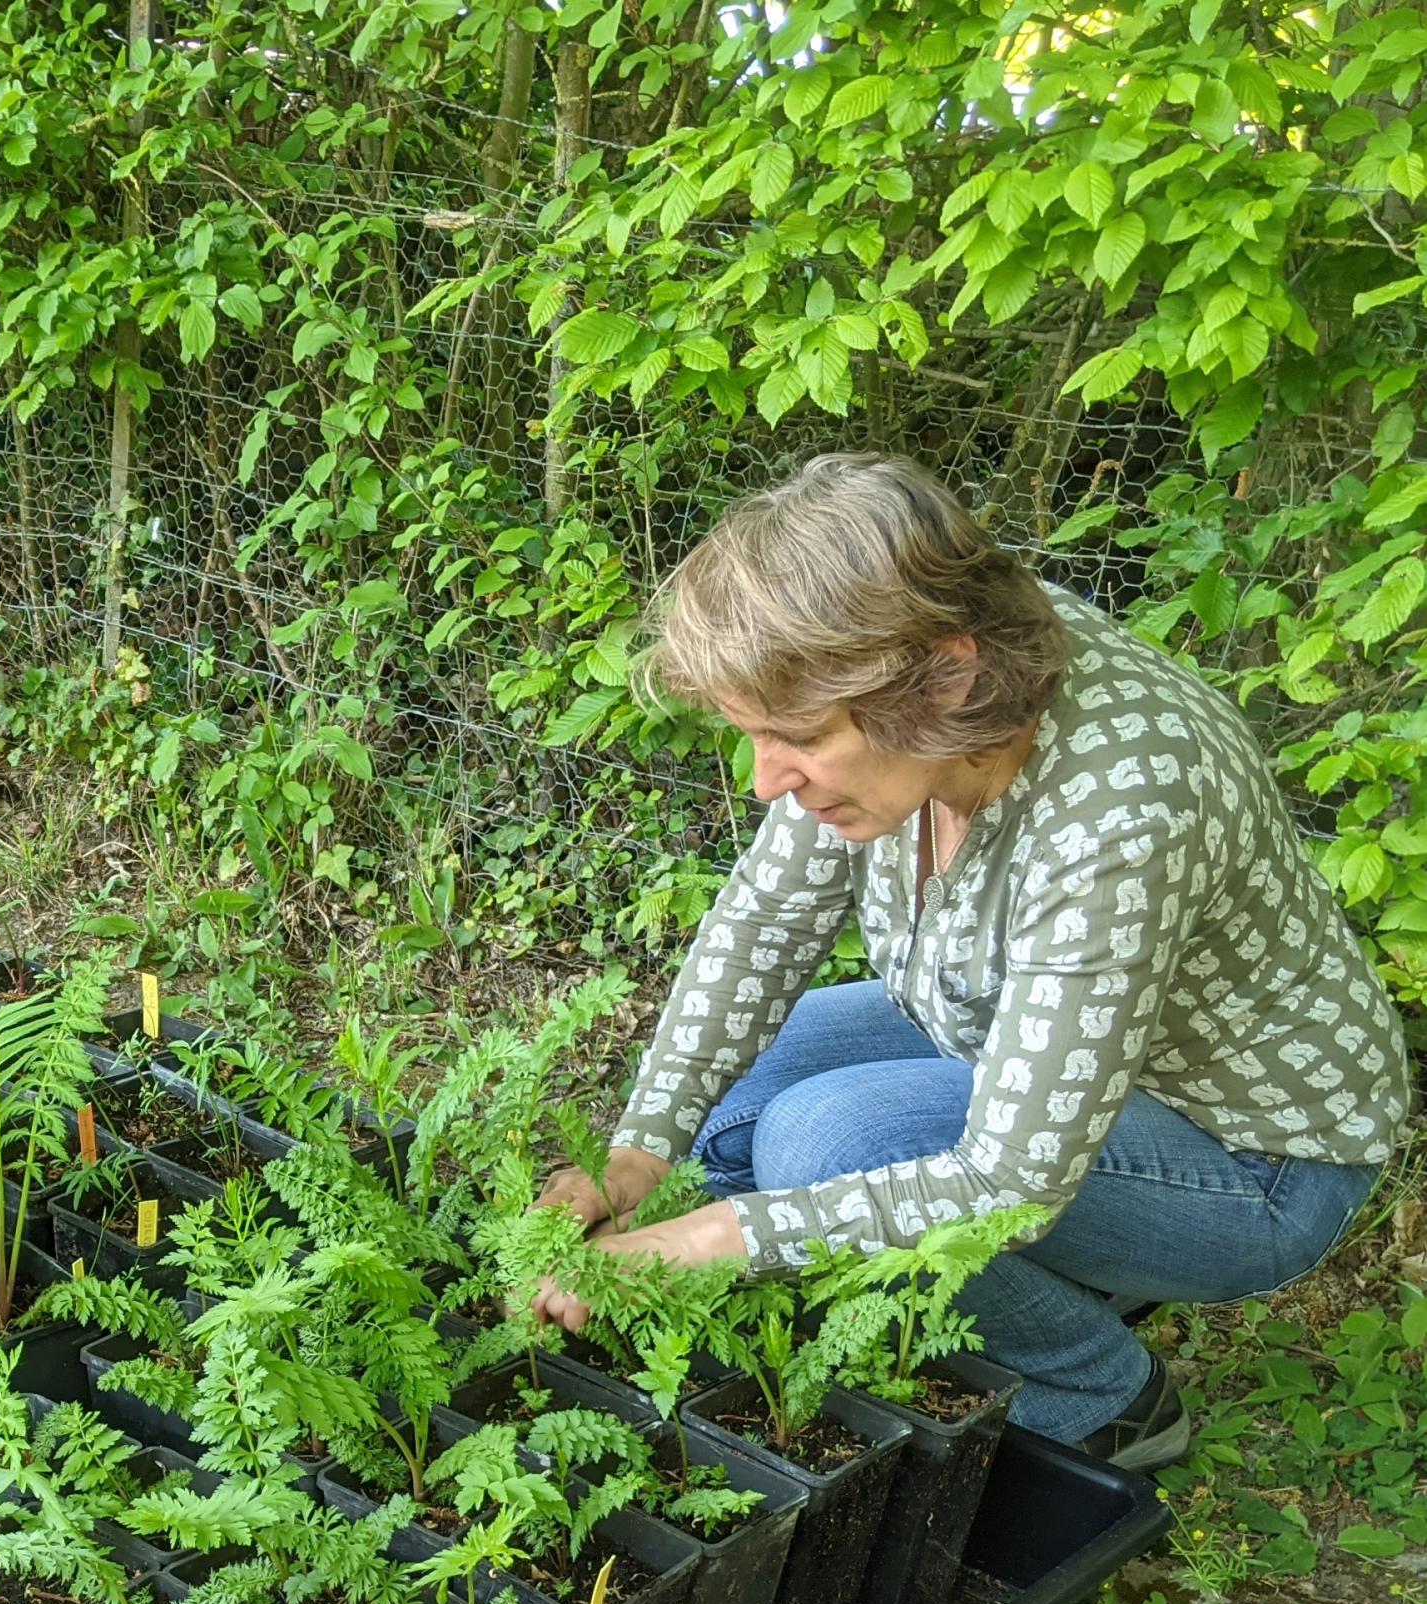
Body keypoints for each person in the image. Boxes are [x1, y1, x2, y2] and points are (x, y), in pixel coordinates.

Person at [531, 452, 1411, 1469]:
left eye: (796, 740)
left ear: (947, 676)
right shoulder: (907, 702)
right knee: (741, 1106)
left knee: (822, 1145)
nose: (769, 780)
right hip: (1029, 1049)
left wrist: (700, 1241)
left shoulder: (1123, 807)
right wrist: (635, 1155)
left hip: (1252, 1159)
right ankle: (1016, 1280)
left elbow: (1013, 1179)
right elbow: (759, 928)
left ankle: (1101, 1393)